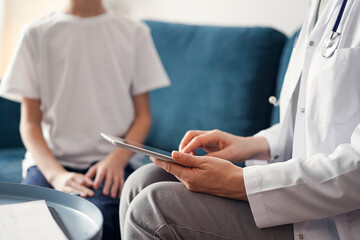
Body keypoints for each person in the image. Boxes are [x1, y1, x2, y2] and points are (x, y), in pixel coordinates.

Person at [119, 0, 360, 239]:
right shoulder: (320, 6)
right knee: (142, 180)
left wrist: (239, 183)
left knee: (151, 209)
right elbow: (309, 122)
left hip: (335, 224)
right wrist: (252, 145)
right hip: (300, 201)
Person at [0, 0, 169, 239]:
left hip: (111, 165)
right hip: (49, 162)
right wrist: (56, 174)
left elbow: (143, 117)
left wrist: (117, 161)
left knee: (99, 225)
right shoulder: (35, 33)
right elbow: (29, 123)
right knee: (28, 225)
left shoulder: (134, 32)